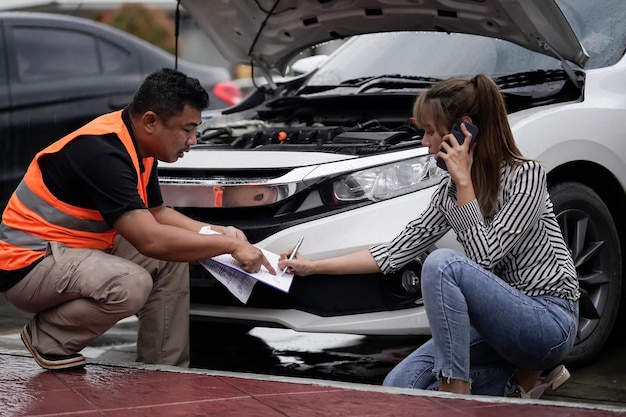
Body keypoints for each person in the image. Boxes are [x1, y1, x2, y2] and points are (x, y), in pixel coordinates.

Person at [278, 74, 579, 398]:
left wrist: (465, 184)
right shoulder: (447, 194)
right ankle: (514, 387)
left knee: (442, 263)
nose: (424, 141)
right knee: (399, 386)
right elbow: (393, 253)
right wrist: (311, 267)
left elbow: (486, 258)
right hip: (496, 330)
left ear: (464, 130)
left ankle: (458, 385)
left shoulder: (525, 177)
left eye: (431, 131)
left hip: (549, 321)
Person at [0, 68, 275, 371]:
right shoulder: (103, 152)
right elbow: (151, 239)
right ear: (150, 121)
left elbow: (158, 213)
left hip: (71, 252)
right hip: (28, 265)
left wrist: (215, 231)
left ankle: (164, 369)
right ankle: (49, 338)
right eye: (186, 129)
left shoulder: (138, 145)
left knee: (171, 262)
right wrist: (228, 246)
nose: (193, 140)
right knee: (131, 283)